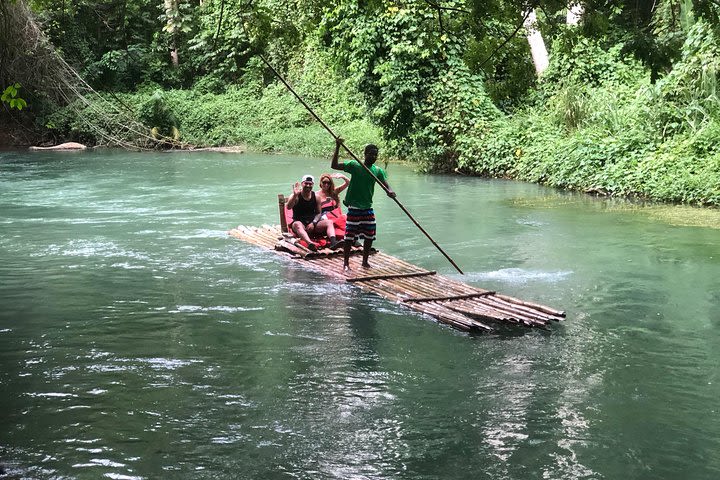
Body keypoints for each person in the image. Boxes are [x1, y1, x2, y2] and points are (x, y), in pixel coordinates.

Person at [331, 138, 396, 271]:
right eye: (370, 154)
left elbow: (385, 184)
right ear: (365, 154)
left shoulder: (377, 170)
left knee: (369, 234)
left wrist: (390, 191)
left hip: (367, 207)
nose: (373, 156)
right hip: (354, 206)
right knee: (349, 236)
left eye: (375, 154)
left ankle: (365, 261)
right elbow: (334, 165)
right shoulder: (355, 165)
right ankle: (346, 263)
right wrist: (337, 147)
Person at [285, 174, 340, 251]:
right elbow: (288, 207)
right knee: (297, 224)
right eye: (306, 183)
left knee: (329, 222)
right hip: (300, 223)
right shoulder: (296, 196)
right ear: (302, 184)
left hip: (312, 223)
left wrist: (313, 223)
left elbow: (318, 213)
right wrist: (295, 195)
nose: (308, 185)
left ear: (313, 185)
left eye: (310, 184)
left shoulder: (316, 197)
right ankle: (309, 243)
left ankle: (333, 242)